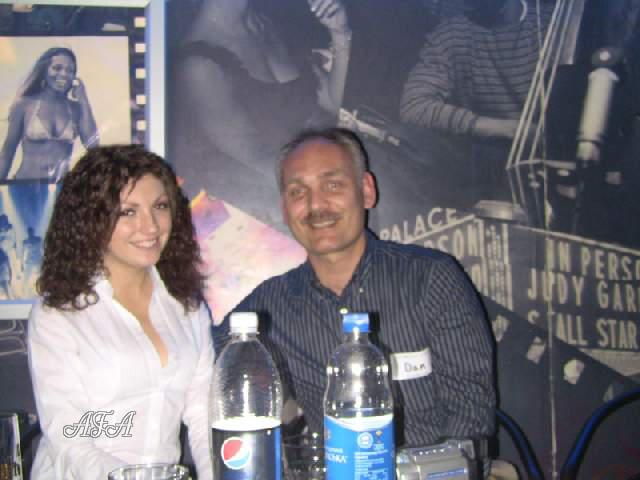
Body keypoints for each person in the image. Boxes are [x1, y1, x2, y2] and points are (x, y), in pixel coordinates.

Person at [214, 128, 495, 451]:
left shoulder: (430, 279)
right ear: (285, 209)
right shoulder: (268, 309)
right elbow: (195, 364)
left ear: (367, 191)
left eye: (332, 185)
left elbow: (470, 416)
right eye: (298, 192)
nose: (316, 205)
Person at [27, 145, 213, 479]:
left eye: (160, 206)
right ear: (91, 220)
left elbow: (203, 416)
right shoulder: (59, 312)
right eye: (128, 212)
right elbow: (69, 437)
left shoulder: (186, 305)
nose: (151, 226)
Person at [168, 0, 351, 226]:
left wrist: (340, 33)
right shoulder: (198, 66)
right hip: (265, 213)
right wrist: (333, 180)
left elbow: (331, 102)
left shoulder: (264, 25)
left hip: (316, 173)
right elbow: (259, 160)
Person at [399, 0, 554, 203]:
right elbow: (414, 106)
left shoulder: (551, 24)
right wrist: (510, 129)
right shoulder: (453, 33)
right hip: (487, 165)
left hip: (548, 161)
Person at [0, 47, 98, 182]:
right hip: (24, 185)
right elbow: (7, 152)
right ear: (44, 71)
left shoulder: (75, 108)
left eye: (70, 70)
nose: (63, 74)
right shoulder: (24, 105)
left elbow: (93, 146)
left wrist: (83, 99)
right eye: (57, 68)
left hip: (62, 187)